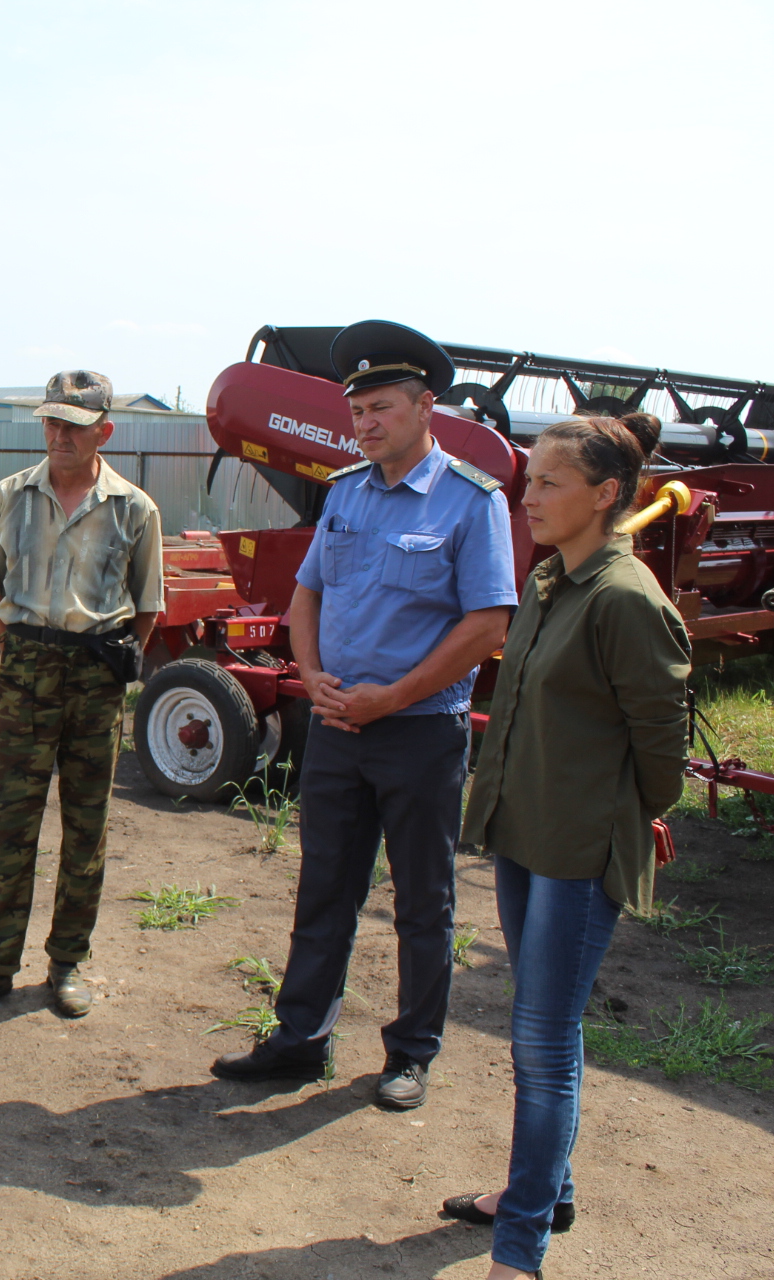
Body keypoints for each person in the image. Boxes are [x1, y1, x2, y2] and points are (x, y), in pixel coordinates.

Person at [210, 320, 516, 1110]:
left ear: (426, 408)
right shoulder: (346, 494)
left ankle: (410, 1054)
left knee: (422, 902)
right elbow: (307, 592)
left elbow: (487, 625)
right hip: (340, 728)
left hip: (418, 733)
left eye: (381, 407)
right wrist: (309, 675)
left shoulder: (470, 502)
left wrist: (395, 696)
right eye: (358, 412)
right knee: (325, 890)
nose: (367, 424)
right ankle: (300, 1039)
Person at [443, 415, 688, 1280]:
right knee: (545, 1030)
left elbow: (664, 749)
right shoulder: (553, 580)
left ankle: (520, 1250)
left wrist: (626, 813)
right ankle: (548, 1189)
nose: (528, 495)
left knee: (543, 1042)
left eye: (548, 482)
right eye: (529, 479)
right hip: (526, 832)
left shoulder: (625, 599)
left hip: (578, 853)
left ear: (607, 495)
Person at [0, 369, 163, 1022]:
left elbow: (147, 606)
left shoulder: (134, 508)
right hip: (27, 670)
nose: (58, 433)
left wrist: (99, 655)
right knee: (9, 823)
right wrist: (27, 656)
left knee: (85, 827)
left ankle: (67, 963)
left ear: (104, 430)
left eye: (73, 423)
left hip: (95, 677)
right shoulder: (9, 497)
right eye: (51, 421)